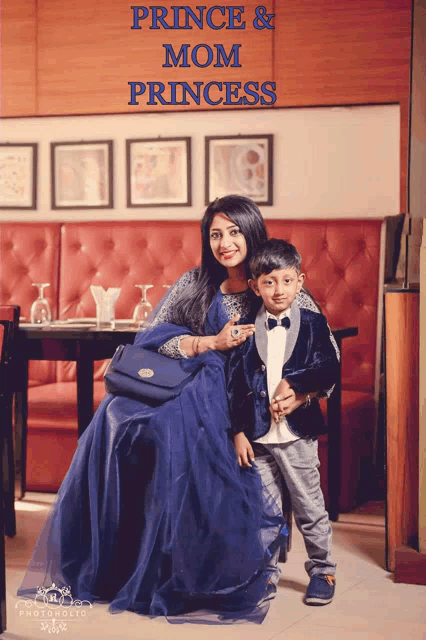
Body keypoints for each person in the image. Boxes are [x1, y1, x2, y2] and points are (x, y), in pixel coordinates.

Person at [17, 196, 328, 623]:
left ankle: (183, 566)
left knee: (167, 434)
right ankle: (117, 562)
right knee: (114, 417)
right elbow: (154, 340)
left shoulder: (277, 278)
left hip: (244, 397)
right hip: (190, 381)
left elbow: (323, 355)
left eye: (234, 231)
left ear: (252, 231)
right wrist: (206, 343)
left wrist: (304, 394)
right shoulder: (195, 282)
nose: (225, 243)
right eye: (215, 234)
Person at [227, 238, 339, 606]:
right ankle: (266, 574)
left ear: (300, 282)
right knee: (265, 511)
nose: (278, 290)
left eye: (287, 281)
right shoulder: (243, 328)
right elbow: (234, 385)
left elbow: (328, 367)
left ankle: (322, 569)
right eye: (269, 282)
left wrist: (296, 384)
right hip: (258, 438)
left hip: (297, 435)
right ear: (254, 286)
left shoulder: (312, 323)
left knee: (309, 506)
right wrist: (239, 431)